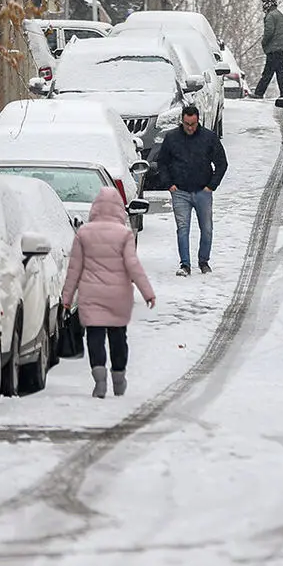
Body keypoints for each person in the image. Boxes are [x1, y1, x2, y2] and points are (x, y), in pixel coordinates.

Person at [61, 187, 156, 398]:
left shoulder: (83, 233)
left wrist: (67, 298)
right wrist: (147, 292)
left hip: (91, 295)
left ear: (95, 208)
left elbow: (74, 269)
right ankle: (119, 377)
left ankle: (100, 380)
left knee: (95, 336)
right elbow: (134, 266)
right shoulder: (124, 235)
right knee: (118, 337)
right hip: (118, 296)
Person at [155, 104, 228, 276]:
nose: (189, 127)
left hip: (203, 190)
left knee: (207, 229)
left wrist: (211, 186)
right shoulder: (172, 138)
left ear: (198, 121)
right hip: (180, 191)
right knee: (183, 228)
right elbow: (162, 162)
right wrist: (169, 184)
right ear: (182, 121)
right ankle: (185, 264)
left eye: (193, 124)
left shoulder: (209, 138)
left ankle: (204, 261)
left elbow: (222, 163)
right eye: (187, 124)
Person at [252, 0, 283, 99]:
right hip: (282, 48)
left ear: (267, 4)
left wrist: (264, 42)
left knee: (268, 72)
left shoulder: (270, 16)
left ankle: (259, 93)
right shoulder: (279, 14)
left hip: (274, 49)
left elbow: (269, 31)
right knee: (281, 73)